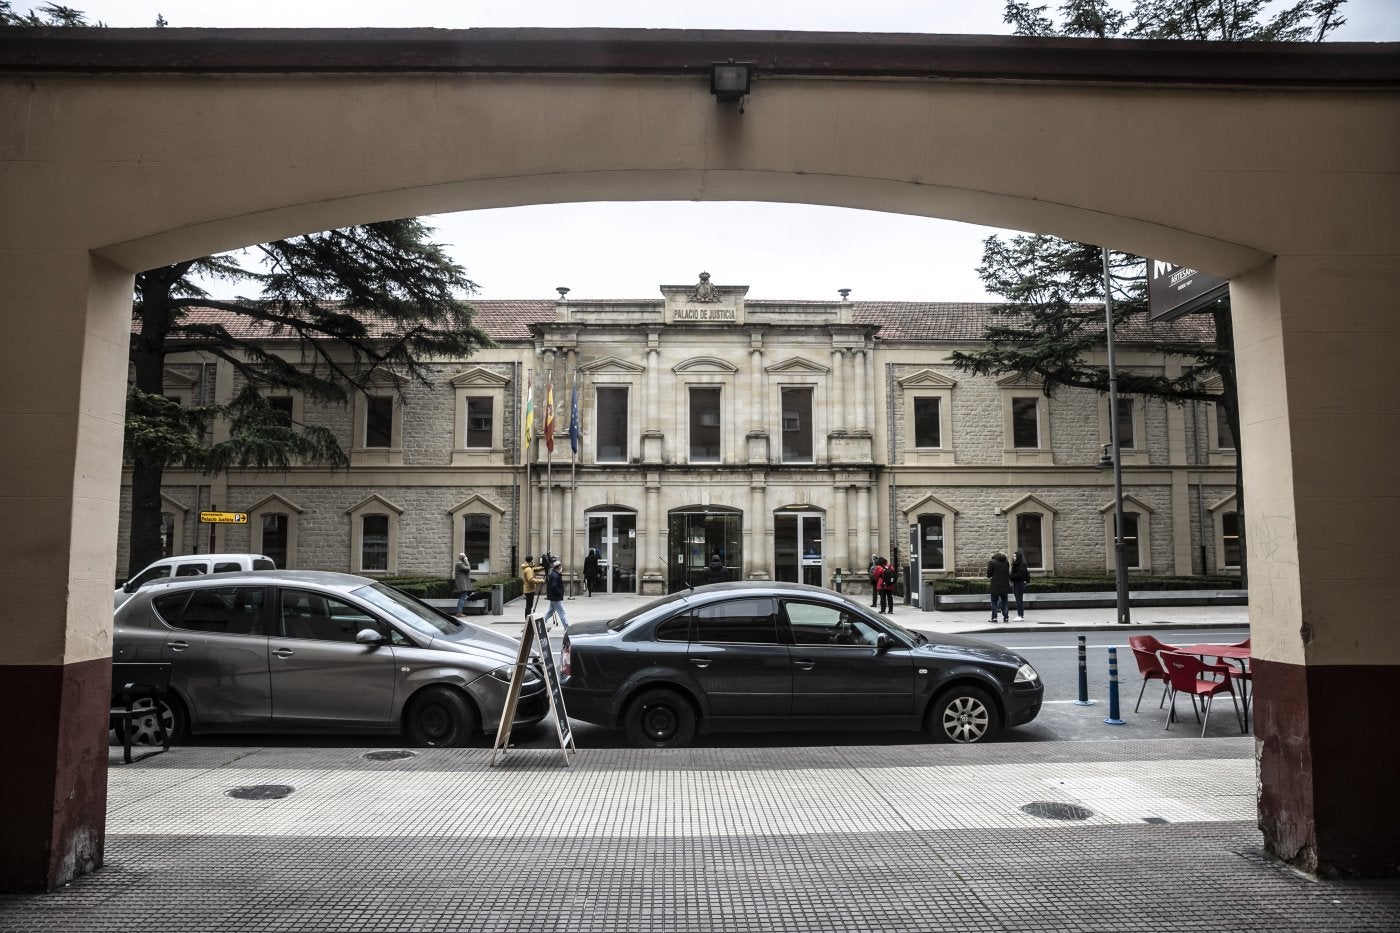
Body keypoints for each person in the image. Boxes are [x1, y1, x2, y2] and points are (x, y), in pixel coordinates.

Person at [541, 559, 569, 630]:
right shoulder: (555, 576)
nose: (561, 568)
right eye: (560, 566)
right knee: (562, 613)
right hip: (556, 598)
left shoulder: (554, 574)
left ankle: (541, 623)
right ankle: (567, 627)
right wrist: (559, 593)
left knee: (550, 612)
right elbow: (554, 586)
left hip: (553, 597)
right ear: (558, 567)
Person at [987, 551, 1011, 623]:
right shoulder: (1006, 562)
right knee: (1005, 601)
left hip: (995, 585)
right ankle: (1006, 617)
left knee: (994, 601)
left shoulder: (992, 562)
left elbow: (989, 574)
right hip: (1005, 585)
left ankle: (994, 617)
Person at [1010, 549, 1031, 622]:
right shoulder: (1016, 564)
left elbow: (1020, 575)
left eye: (1015, 556)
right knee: (1018, 600)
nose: (1013, 557)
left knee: (1019, 600)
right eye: (1013, 556)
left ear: (1018, 557)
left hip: (1019, 583)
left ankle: (1020, 615)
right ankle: (1019, 615)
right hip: (1016, 583)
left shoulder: (1022, 564)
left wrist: (1011, 576)